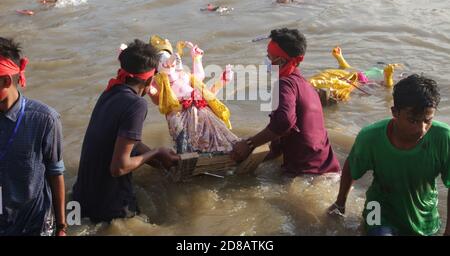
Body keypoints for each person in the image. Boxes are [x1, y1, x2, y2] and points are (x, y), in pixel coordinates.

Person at [72, 39, 179, 223]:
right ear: (151, 79)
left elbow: (127, 141)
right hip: (110, 208)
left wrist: (158, 162)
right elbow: (119, 168)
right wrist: (157, 151)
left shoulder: (109, 92)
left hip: (80, 200)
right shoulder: (137, 104)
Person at [329, 74, 450, 236]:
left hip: (424, 216)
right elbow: (352, 166)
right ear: (395, 112)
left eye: (427, 120)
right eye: (412, 120)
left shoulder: (443, 138)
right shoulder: (371, 137)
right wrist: (340, 203)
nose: (421, 129)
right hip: (377, 209)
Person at [230, 28, 341, 176]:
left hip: (306, 174)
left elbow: (283, 122)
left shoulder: (285, 84)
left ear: (280, 60)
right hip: (328, 169)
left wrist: (249, 144)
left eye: (269, 57)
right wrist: (250, 158)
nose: (266, 61)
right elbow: (280, 139)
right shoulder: (306, 85)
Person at [0, 37, 66, 236]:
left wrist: (62, 227)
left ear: (5, 81)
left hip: (34, 223)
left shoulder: (45, 120)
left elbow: (55, 174)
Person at [148, 35, 237, 154]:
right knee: (184, 137)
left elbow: (204, 88)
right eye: (162, 59)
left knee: (215, 130)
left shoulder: (185, 75)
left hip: (201, 109)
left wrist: (221, 81)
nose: (170, 61)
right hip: (179, 114)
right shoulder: (159, 81)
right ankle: (188, 156)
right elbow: (156, 98)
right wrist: (149, 89)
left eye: (169, 58)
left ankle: (226, 150)